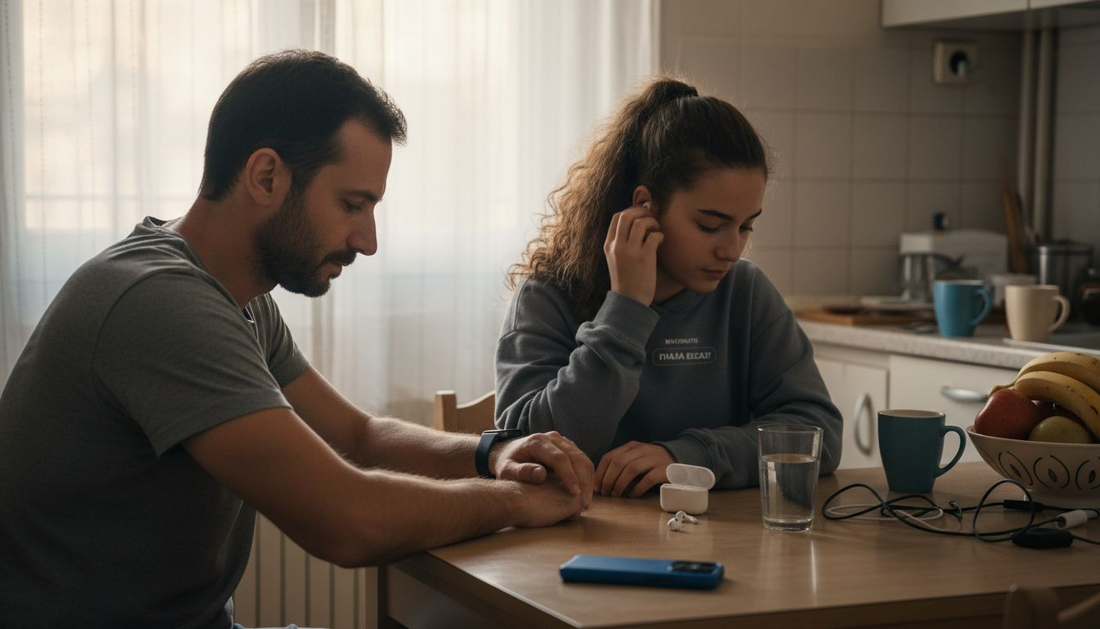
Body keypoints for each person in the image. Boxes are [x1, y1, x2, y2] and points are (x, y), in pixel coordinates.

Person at [0, 50, 594, 629]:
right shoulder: (159, 300)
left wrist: (492, 454)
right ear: (265, 176)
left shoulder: (237, 297)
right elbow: (346, 519)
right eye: (351, 204)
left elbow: (358, 434)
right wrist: (517, 503)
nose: (367, 240)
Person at [495, 77, 842, 498]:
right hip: (577, 544)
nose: (732, 249)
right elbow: (528, 454)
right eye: (710, 225)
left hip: (719, 542)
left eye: (746, 225)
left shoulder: (745, 291)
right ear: (645, 207)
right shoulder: (548, 295)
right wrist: (626, 310)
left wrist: (690, 456)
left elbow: (817, 435)